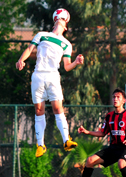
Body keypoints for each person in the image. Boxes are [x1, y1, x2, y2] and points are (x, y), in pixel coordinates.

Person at [16, 9, 84, 157]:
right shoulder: (42, 35)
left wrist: (76, 63)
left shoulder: (66, 44)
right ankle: (40, 145)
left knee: (57, 108)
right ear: (55, 20)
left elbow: (66, 66)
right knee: (39, 110)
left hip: (53, 76)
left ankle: (67, 141)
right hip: (38, 75)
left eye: (64, 19)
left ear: (66, 26)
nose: (61, 20)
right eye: (59, 18)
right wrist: (21, 60)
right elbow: (29, 49)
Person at [68, 88, 126, 177]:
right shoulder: (109, 116)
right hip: (113, 148)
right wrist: (87, 132)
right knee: (90, 160)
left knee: (121, 164)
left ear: (124, 101)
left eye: (118, 97)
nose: (115, 99)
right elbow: (102, 133)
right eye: (114, 97)